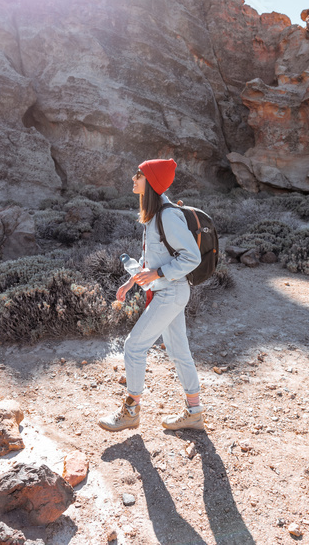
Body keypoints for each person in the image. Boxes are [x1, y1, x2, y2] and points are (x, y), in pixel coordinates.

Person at [98, 158, 205, 432]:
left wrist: (157, 275)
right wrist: (130, 282)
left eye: (139, 175)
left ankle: (131, 411)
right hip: (166, 292)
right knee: (180, 352)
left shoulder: (168, 215)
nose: (133, 179)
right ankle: (194, 412)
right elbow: (151, 260)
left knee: (134, 347)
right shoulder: (154, 216)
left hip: (171, 292)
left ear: (152, 182)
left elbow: (191, 257)